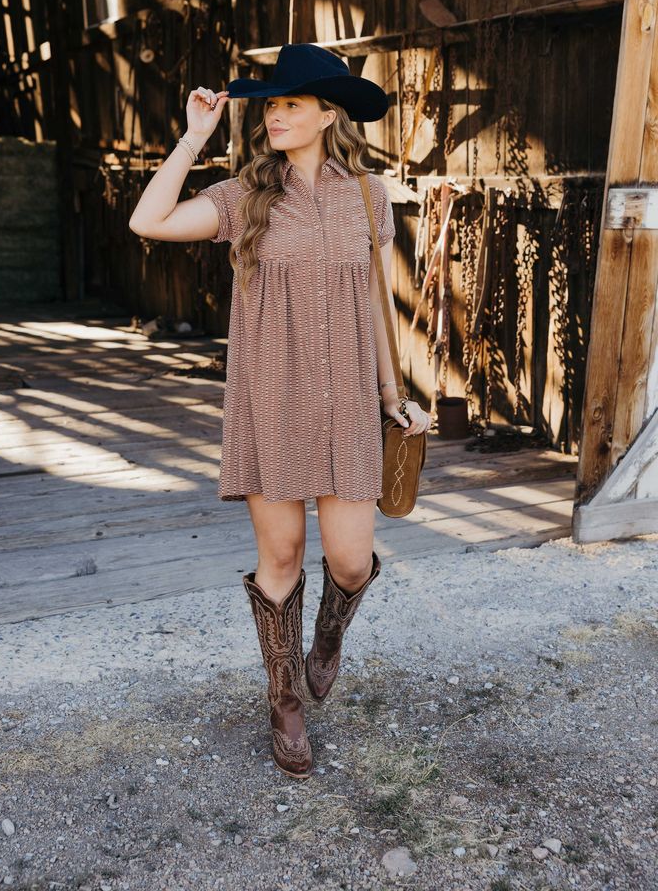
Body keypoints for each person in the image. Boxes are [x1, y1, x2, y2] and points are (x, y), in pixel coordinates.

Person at [128, 43, 431, 780]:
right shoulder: (243, 199)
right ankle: (283, 699)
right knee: (284, 558)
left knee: (352, 561)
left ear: (329, 112)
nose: (276, 114)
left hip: (353, 401)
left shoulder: (368, 196)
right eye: (271, 104)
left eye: (292, 102)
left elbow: (372, 305)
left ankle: (326, 636)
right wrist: (195, 137)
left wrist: (395, 399)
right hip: (273, 400)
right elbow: (149, 219)